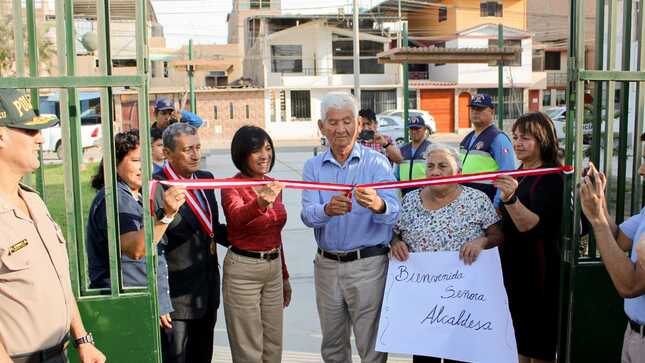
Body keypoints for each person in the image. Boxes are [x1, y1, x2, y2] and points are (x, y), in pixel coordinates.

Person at [0, 88, 105, 363]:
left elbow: (58, 278)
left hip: (60, 353)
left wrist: (82, 338)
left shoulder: (33, 201)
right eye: (29, 131)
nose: (40, 139)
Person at [301, 93, 400, 363]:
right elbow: (307, 214)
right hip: (327, 265)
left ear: (358, 124)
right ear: (321, 127)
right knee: (332, 345)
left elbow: (394, 211)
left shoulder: (377, 163)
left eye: (347, 121)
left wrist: (378, 204)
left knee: (371, 344)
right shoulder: (313, 167)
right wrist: (326, 210)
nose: (340, 129)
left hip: (368, 265)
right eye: (332, 122)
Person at [390, 144, 502, 363]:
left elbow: (498, 236)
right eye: (430, 166)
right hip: (423, 301)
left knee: (459, 355)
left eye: (443, 166)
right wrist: (395, 243)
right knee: (424, 356)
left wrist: (483, 241)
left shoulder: (477, 200)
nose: (435, 171)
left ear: (458, 172)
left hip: (463, 301)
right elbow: (394, 234)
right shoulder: (411, 200)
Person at [85, 129, 186, 330]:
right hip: (126, 307)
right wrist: (166, 215)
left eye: (145, 160)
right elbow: (137, 250)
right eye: (135, 161)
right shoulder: (114, 199)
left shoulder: (133, 195)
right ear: (114, 164)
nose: (143, 167)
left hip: (140, 301)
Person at [492, 111, 564, 363]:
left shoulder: (552, 177)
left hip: (540, 274)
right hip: (514, 271)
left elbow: (530, 225)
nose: (518, 143)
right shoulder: (518, 174)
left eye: (526, 138)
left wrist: (510, 199)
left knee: (540, 347)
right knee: (518, 342)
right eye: (515, 137)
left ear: (543, 140)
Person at [153, 123, 228, 363]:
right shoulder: (157, 186)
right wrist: (161, 300)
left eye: (198, 147)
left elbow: (213, 228)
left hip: (206, 292)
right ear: (167, 153)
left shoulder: (205, 180)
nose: (196, 155)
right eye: (188, 150)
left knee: (203, 356)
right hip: (176, 299)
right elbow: (155, 245)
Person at [221, 125, 291, 362]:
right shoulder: (232, 186)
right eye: (256, 150)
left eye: (268, 149)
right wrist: (259, 203)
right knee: (249, 349)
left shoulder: (273, 184)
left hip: (272, 269)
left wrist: (284, 276)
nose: (265, 156)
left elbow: (276, 234)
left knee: (273, 345)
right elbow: (237, 218)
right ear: (242, 154)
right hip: (243, 270)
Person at [580, 155, 645, 362]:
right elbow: (616, 240)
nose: (641, 170)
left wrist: (597, 218)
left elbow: (630, 286)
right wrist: (600, 201)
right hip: (634, 334)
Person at [460, 94, 516, 206]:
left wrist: (497, 204)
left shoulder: (498, 138)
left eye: (480, 109)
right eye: (473, 109)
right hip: (467, 201)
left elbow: (507, 174)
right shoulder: (468, 137)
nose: (475, 112)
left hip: (487, 201)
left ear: (492, 112)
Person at [397, 115, 433, 196]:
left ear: (424, 129)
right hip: (405, 192)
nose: (413, 131)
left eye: (417, 129)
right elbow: (396, 174)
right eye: (411, 129)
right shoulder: (402, 150)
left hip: (425, 192)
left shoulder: (432, 149)